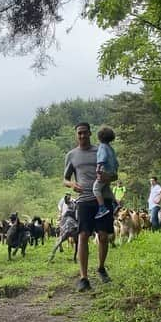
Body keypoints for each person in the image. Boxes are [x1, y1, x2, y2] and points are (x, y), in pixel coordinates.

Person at [63, 122, 114, 292]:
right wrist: (72, 185)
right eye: (79, 133)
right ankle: (83, 277)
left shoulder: (100, 150)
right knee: (83, 235)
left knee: (103, 236)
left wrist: (108, 178)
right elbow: (65, 179)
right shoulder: (71, 155)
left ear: (90, 133)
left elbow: (114, 173)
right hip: (84, 200)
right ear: (76, 135)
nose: (82, 136)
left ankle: (101, 267)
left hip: (103, 198)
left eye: (85, 133)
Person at [92, 126, 120, 219]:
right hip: (112, 173)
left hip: (105, 172)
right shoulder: (110, 148)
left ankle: (102, 207)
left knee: (96, 189)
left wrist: (98, 168)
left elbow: (102, 158)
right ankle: (115, 203)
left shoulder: (102, 147)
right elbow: (116, 162)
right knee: (106, 188)